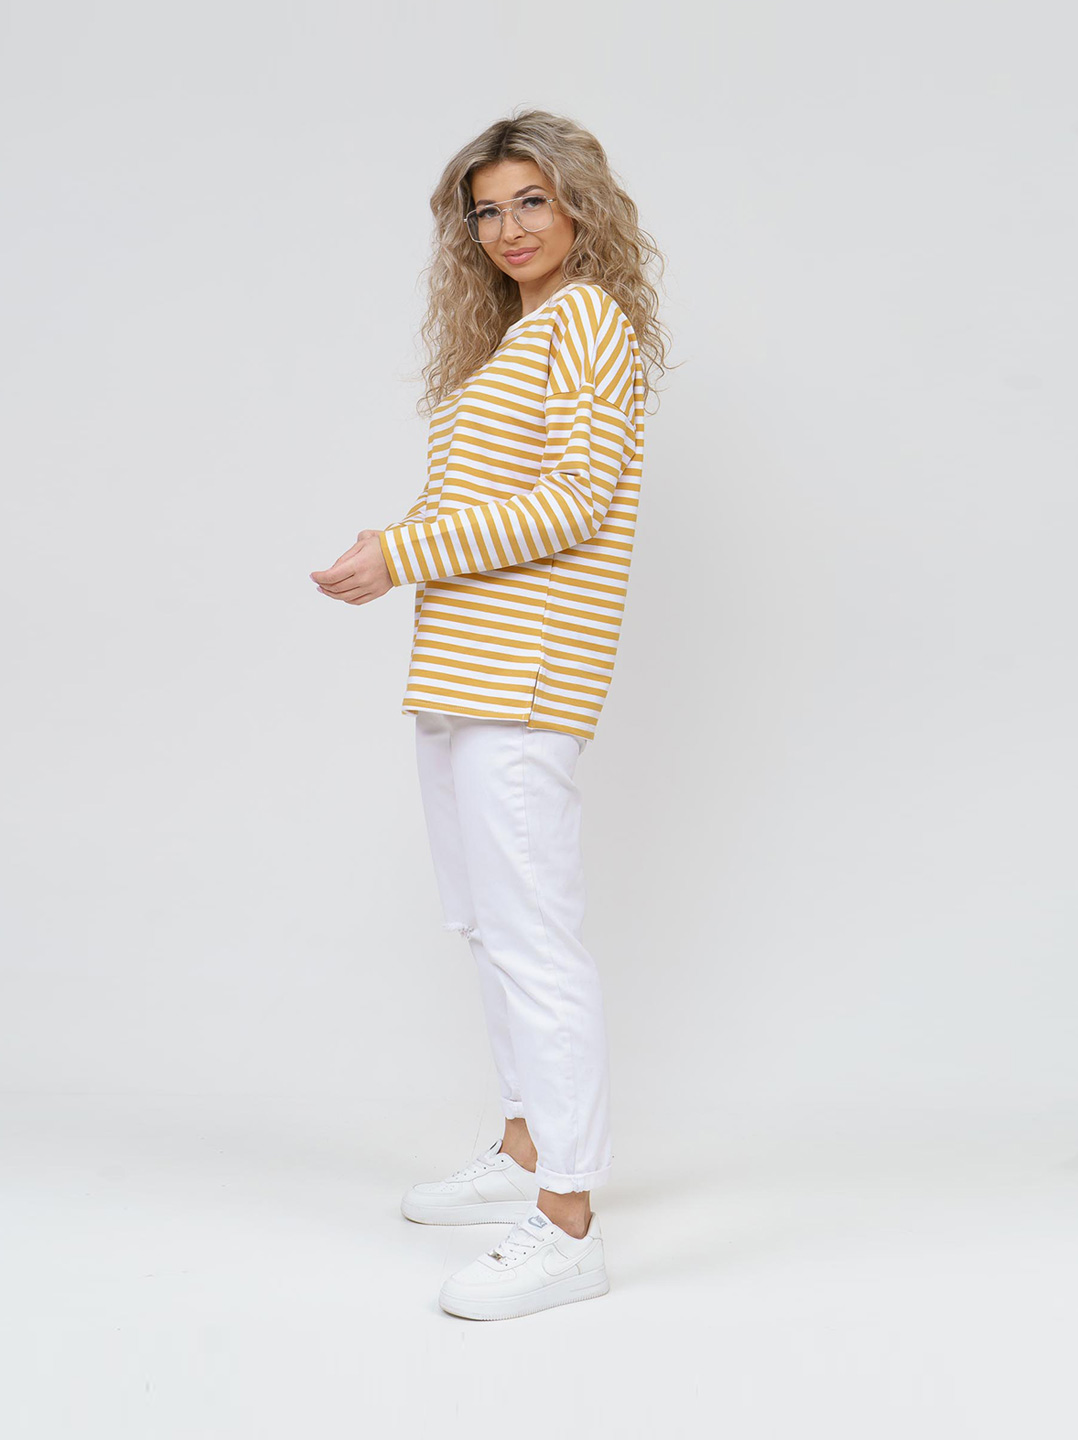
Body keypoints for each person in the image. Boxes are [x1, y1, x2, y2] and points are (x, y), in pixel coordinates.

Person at [309, 108, 668, 1320]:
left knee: (534, 938)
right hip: (461, 674)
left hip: (526, 677)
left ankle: (568, 1221)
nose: (509, 228)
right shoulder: (512, 341)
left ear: (579, 207)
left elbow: (574, 503)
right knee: (483, 921)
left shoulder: (589, 320)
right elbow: (492, 504)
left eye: (531, 201)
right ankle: (524, 1149)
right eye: (487, 211)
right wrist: (398, 552)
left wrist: (400, 553)